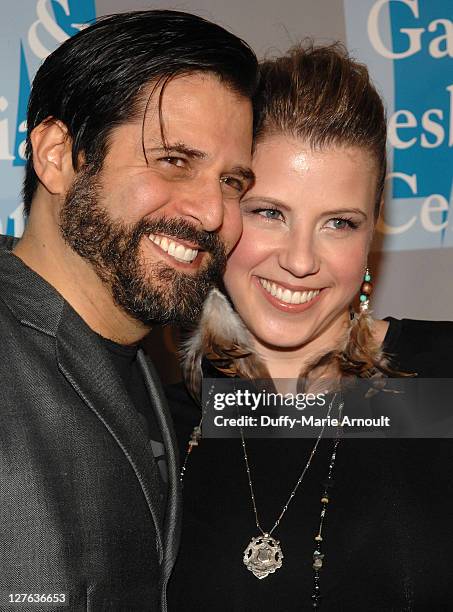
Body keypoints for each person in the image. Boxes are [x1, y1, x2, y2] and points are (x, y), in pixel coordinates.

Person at [167, 43, 453, 610]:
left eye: (338, 224)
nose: (300, 261)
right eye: (269, 212)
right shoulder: (166, 419)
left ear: (371, 234)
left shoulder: (440, 383)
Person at [0, 9, 258, 610]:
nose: (214, 213)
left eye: (232, 182)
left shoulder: (160, 386)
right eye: (173, 161)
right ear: (59, 155)